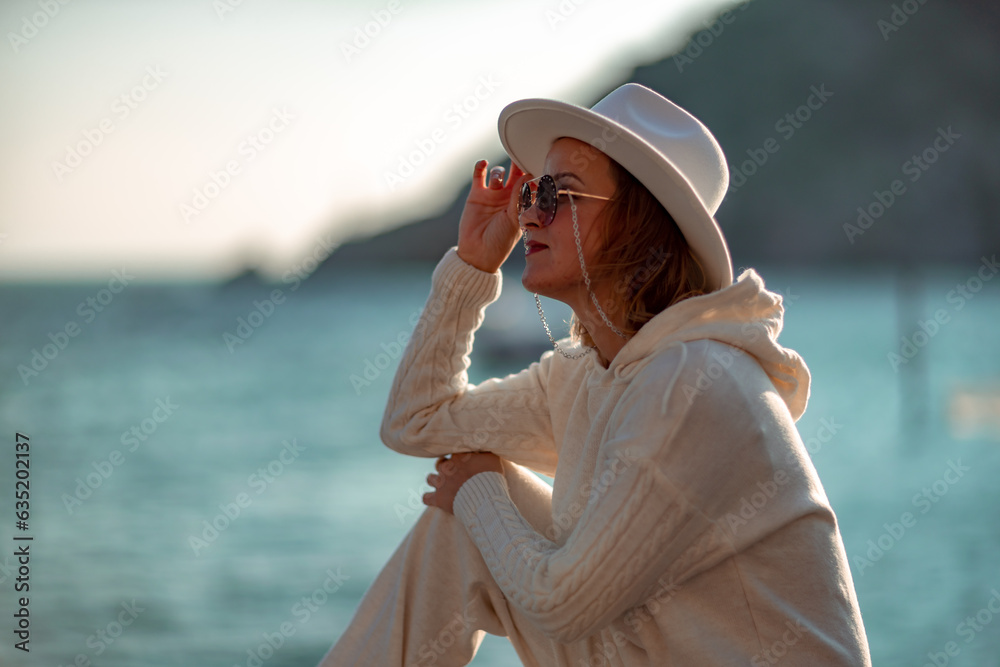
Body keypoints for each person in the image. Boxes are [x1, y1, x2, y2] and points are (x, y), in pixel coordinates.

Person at [318, 83, 872, 666]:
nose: (530, 211)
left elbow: (562, 606)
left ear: (641, 224)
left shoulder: (694, 382)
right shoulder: (590, 375)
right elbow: (415, 421)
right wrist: (473, 267)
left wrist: (476, 487)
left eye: (561, 193)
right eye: (534, 190)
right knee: (455, 533)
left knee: (479, 508)